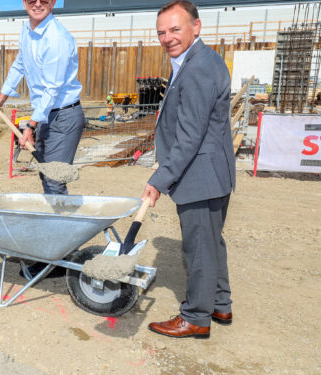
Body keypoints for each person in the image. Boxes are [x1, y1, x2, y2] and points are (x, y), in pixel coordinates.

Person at [143, 0, 236, 339]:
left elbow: (190, 136)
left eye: (175, 29)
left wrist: (159, 179)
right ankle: (219, 303)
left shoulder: (197, 67)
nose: (167, 37)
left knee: (198, 247)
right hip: (213, 172)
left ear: (197, 26)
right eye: (161, 32)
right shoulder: (199, 60)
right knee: (211, 242)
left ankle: (196, 317)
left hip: (200, 174)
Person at [0, 0, 84, 196]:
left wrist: (30, 126)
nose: (38, 4)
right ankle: (52, 222)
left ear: (53, 2)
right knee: (45, 175)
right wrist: (1, 98)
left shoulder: (56, 39)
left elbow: (52, 89)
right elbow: (20, 64)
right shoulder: (27, 31)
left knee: (55, 179)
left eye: (44, 0)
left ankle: (63, 225)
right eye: (32, 0)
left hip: (64, 116)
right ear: (24, 3)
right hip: (46, 114)